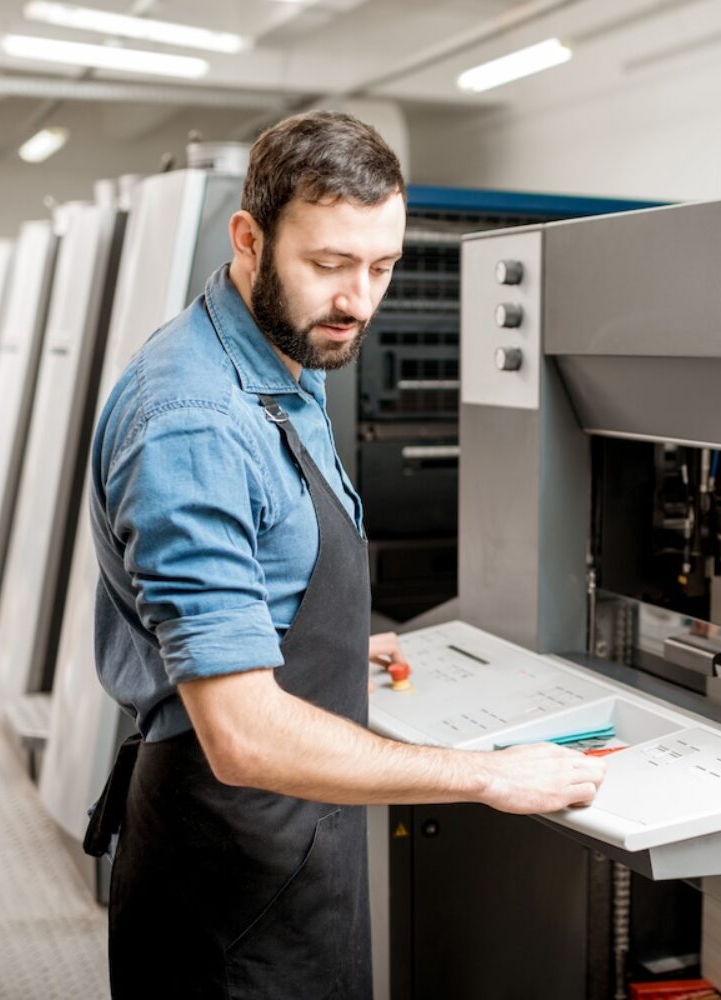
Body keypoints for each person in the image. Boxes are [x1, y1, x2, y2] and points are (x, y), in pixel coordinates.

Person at [84, 110, 607, 999]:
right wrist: (486, 777)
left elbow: (253, 571)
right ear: (248, 239)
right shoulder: (193, 423)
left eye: (382, 267)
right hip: (230, 863)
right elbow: (244, 736)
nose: (359, 301)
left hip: (296, 838)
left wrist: (313, 643)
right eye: (329, 265)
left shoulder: (287, 356)